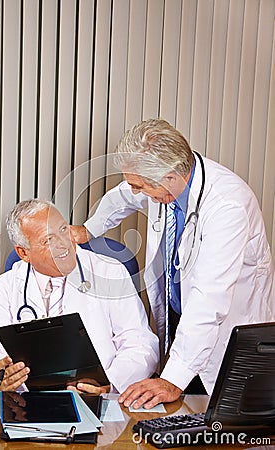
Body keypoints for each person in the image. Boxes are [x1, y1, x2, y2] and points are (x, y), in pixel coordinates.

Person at [72, 118, 275, 409]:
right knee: (181, 419)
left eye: (141, 186)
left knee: (223, 426)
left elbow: (209, 300)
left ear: (168, 177)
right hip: (183, 323)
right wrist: (89, 229)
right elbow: (123, 197)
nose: (137, 192)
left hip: (226, 333)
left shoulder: (227, 205)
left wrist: (173, 380)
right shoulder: (167, 182)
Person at [0, 199, 159, 393]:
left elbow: (140, 344)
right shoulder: (5, 287)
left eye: (64, 230)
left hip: (99, 401)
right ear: (23, 253)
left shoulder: (109, 272)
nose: (64, 245)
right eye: (48, 240)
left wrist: (109, 384)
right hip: (27, 405)